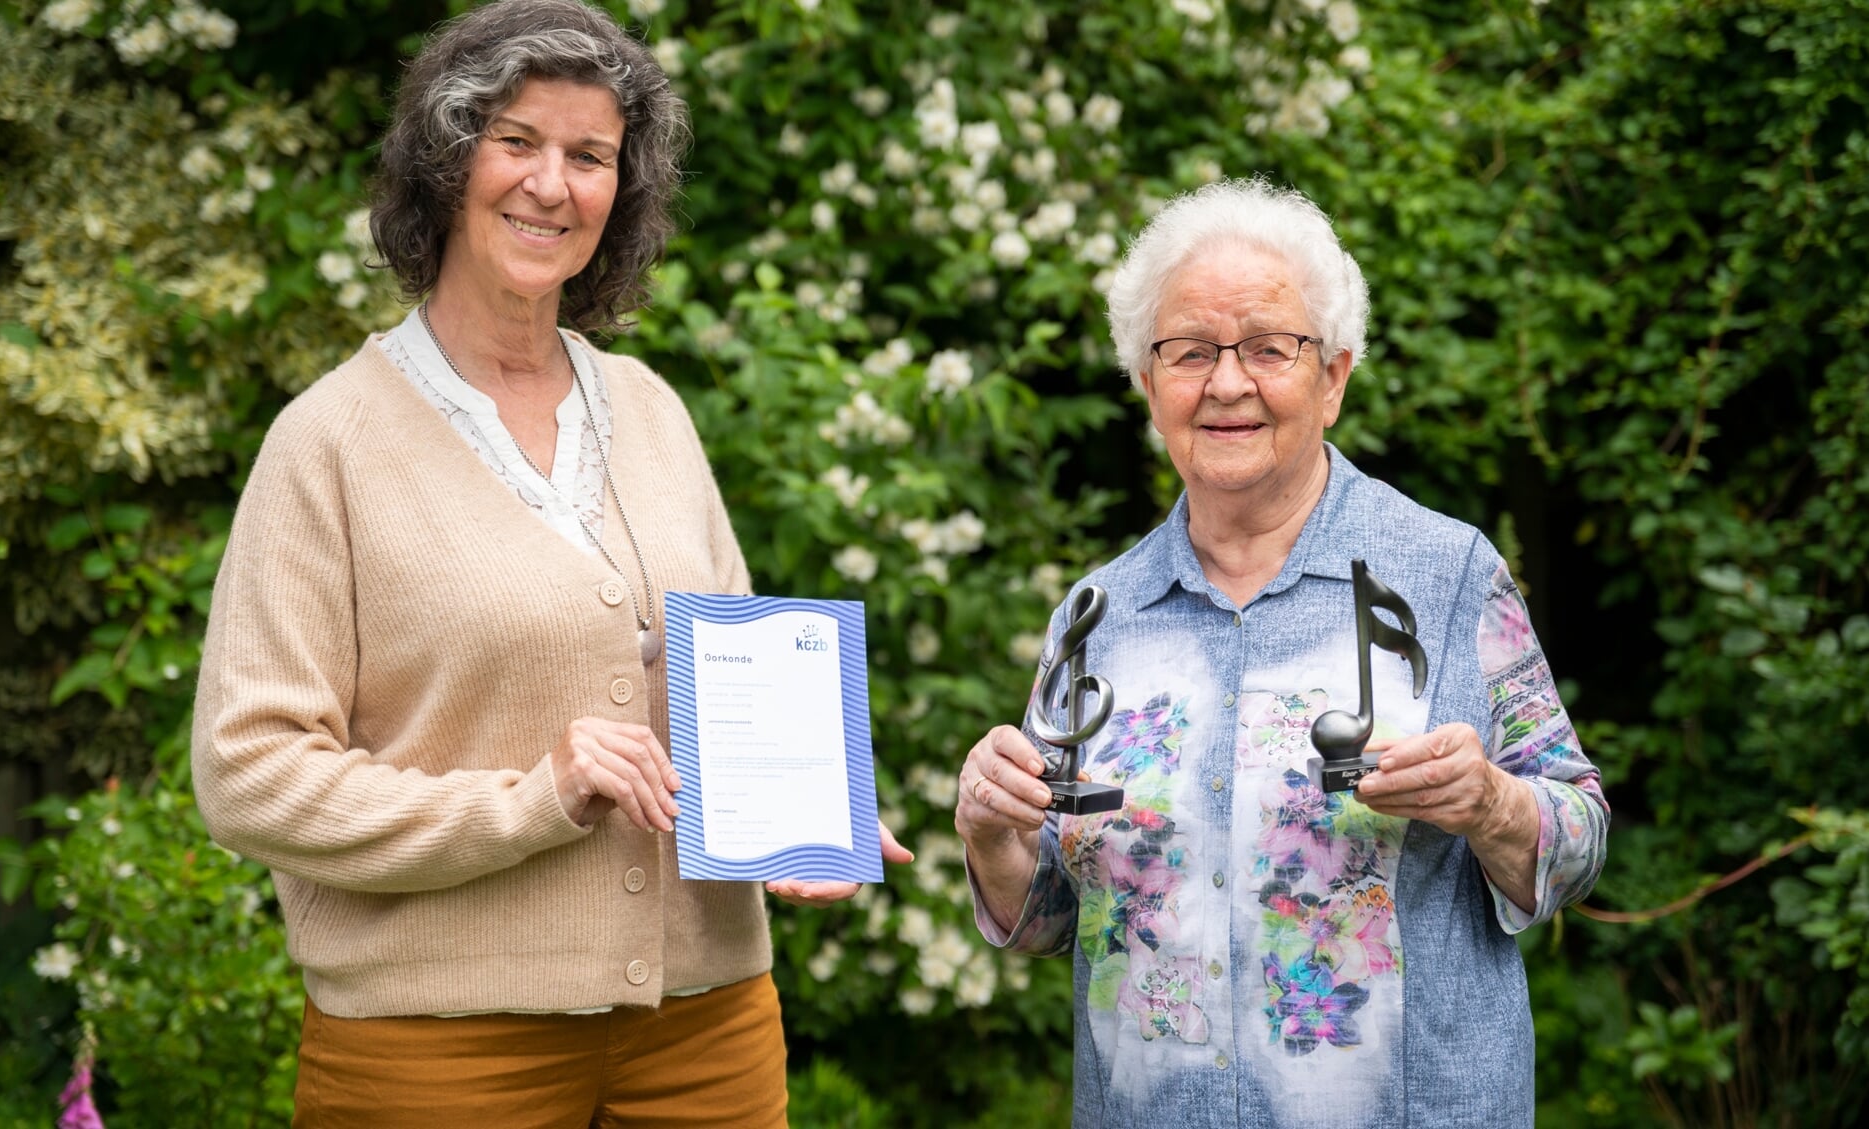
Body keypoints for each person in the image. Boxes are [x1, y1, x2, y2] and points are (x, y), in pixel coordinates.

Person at [191, 2, 903, 1124]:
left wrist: (810, 807)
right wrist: (532, 799)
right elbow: (250, 773)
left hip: (706, 1025)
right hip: (441, 1049)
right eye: (515, 141)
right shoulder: (327, 442)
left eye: (590, 156)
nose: (550, 184)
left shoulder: (652, 411)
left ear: (622, 193)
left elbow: (740, 688)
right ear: (445, 160)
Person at [954, 178, 1608, 1127]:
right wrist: (991, 831)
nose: (1226, 383)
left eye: (1268, 348)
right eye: (1187, 352)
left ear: (1333, 376)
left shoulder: (1447, 574)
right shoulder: (1097, 616)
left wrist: (1491, 803)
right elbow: (1053, 914)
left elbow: (1578, 839)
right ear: (1148, 385)